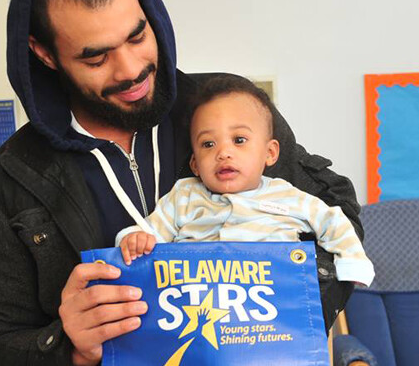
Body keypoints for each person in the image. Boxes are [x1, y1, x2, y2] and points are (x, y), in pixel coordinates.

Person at [0, 0, 363, 364]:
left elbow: (335, 207)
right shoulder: (13, 174)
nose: (129, 70)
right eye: (96, 57)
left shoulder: (225, 109)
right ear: (45, 54)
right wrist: (70, 346)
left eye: (137, 35)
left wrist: (296, 302)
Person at [117, 75, 375, 288]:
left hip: (272, 300)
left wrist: (351, 263)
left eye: (239, 140)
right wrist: (133, 239)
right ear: (195, 164)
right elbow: (150, 232)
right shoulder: (183, 196)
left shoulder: (287, 195)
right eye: (208, 144)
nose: (223, 153)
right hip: (198, 301)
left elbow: (333, 221)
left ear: (270, 153)